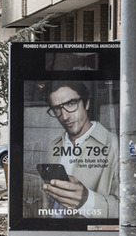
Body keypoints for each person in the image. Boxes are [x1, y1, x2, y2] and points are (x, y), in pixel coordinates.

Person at [23, 79, 120, 218]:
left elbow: (128, 209)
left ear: (87, 103)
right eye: (57, 108)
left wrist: (86, 200)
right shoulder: (55, 145)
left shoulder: (115, 146)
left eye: (71, 103)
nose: (65, 116)